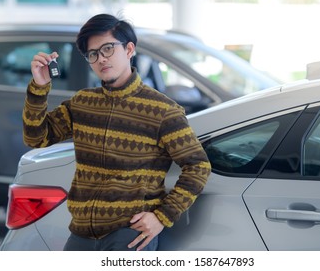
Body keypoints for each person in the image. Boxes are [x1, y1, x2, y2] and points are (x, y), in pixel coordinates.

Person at [22, 13, 211, 251]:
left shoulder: (162, 110)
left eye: (108, 48)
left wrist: (162, 216)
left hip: (128, 235)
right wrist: (39, 88)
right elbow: (35, 138)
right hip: (80, 234)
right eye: (93, 54)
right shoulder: (82, 103)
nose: (101, 59)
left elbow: (198, 166)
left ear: (129, 49)